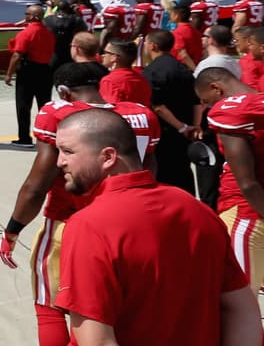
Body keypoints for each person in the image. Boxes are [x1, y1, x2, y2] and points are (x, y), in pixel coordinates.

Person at [53, 107, 261, 346]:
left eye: (67, 151)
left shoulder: (88, 226)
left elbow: (97, 341)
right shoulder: (196, 209)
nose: (60, 162)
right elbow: (242, 310)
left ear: (108, 157)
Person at [0, 61, 160, 346]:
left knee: (51, 308)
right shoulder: (141, 114)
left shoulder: (60, 113)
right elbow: (150, 171)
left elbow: (37, 185)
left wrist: (12, 231)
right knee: (109, 310)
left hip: (69, 222)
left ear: (63, 91)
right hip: (130, 223)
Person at [197, 66, 264, 289]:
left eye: (206, 100)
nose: (206, 107)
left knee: (240, 299)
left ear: (216, 88)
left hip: (247, 211)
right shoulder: (258, 102)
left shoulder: (230, 111)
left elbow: (247, 183)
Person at [141, 29, 201, 196]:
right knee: (183, 171)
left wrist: (180, 127)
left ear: (153, 46)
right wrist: (194, 126)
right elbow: (197, 101)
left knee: (164, 176)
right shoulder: (183, 69)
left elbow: (158, 106)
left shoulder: (151, 72)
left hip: (166, 132)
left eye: (146, 43)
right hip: (186, 133)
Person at [6, 5, 55, 147]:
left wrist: (9, 73)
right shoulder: (49, 33)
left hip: (28, 71)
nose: (25, 16)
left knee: (23, 105)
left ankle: (24, 137)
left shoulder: (26, 33)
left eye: (27, 14)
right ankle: (47, 135)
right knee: (44, 105)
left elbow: (17, 54)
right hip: (45, 70)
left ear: (33, 17)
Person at [98, 40, 151, 106]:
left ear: (114, 57)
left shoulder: (109, 81)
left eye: (106, 52)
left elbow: (111, 109)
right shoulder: (142, 79)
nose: (103, 55)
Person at [44, 1, 86, 75]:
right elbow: (83, 32)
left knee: (50, 76)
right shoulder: (76, 20)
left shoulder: (48, 20)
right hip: (70, 53)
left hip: (54, 53)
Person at [171, 4, 203, 69]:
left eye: (171, 14)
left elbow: (183, 54)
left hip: (183, 68)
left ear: (176, 16)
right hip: (196, 63)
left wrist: (195, 70)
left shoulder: (177, 32)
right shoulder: (195, 30)